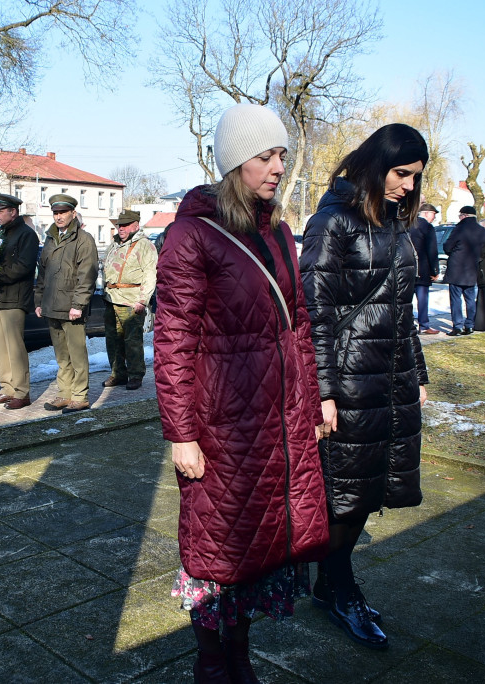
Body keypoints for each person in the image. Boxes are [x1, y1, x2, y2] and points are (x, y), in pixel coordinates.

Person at [155, 103, 328, 682]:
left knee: (261, 543)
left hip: (276, 421)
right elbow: (174, 337)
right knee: (218, 544)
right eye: (265, 155)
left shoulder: (279, 231)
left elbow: (297, 324)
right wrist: (181, 432)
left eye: (282, 153)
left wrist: (310, 399)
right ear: (235, 162)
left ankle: (241, 655)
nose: (279, 165)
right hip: (220, 422)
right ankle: (211, 659)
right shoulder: (191, 235)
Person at [300, 122, 429, 651]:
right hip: (349, 379)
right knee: (346, 496)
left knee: (370, 488)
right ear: (377, 164)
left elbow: (401, 309)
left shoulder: (395, 221)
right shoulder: (333, 222)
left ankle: (331, 583)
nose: (408, 186)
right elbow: (316, 312)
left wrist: (417, 373)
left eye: (416, 177)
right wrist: (323, 391)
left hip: (391, 375)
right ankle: (340, 588)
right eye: (401, 173)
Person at [35, 193, 98, 414]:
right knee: (62, 356)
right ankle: (65, 393)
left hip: (72, 308)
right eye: (55, 213)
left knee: (77, 355)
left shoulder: (84, 239)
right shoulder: (51, 239)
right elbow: (42, 273)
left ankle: (80, 396)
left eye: (63, 212)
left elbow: (87, 275)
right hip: (52, 306)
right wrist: (39, 300)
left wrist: (78, 305)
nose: (59, 216)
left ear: (73, 213)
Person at [0, 193, 39, 410]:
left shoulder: (26, 234)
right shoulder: (3, 234)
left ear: (13, 212)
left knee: (15, 347)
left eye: (0, 211)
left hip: (14, 298)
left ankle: (22, 391)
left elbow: (23, 267)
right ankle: (8, 388)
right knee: (2, 347)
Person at [102, 209, 157, 391]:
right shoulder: (114, 244)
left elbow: (150, 274)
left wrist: (143, 300)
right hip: (111, 299)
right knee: (113, 339)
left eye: (125, 225)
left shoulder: (144, 245)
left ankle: (135, 375)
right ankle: (118, 373)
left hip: (131, 300)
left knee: (132, 340)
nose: (121, 228)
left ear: (136, 225)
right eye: (119, 225)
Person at [442, 206, 485, 336]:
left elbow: (448, 247)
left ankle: (458, 326)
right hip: (471, 268)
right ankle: (470, 325)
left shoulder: (459, 228)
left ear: (465, 215)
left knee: (456, 298)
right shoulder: (482, 230)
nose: (459, 218)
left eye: (460, 215)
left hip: (457, 267)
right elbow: (483, 249)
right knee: (470, 298)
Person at [410, 203, 440, 334]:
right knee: (422, 299)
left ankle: (408, 324)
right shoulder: (428, 227)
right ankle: (424, 325)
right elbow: (432, 250)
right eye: (433, 214)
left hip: (407, 267)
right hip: (423, 268)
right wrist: (435, 270)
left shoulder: (408, 224)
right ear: (427, 213)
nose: (434, 217)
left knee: (406, 299)